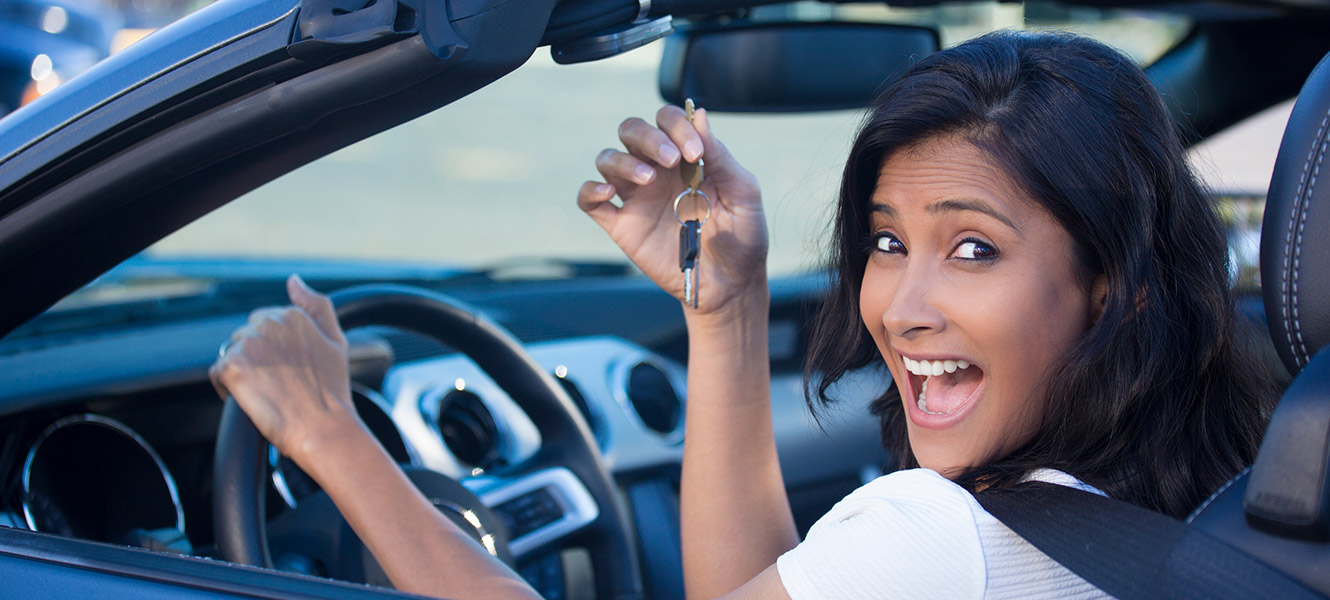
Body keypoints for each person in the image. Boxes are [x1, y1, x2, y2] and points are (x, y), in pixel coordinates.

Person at [211, 31, 1277, 599]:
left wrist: (329, 437)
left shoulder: (938, 539)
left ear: (1115, 281)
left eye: (973, 250)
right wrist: (724, 308)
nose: (901, 307)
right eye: (888, 240)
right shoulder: (1225, 492)